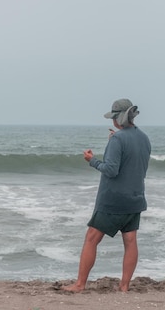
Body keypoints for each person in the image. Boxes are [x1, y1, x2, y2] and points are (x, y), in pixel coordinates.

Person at [63, 98, 151, 293]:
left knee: (92, 238)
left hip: (113, 199)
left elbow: (111, 170)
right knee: (130, 241)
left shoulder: (118, 139)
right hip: (135, 198)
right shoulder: (143, 138)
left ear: (117, 118)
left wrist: (91, 160)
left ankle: (79, 284)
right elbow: (135, 164)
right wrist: (114, 142)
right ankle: (125, 286)